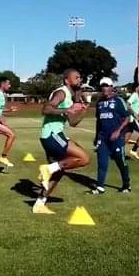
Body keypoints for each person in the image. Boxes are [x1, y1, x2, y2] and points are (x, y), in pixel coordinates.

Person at [34, 69, 90, 214]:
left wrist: (83, 110)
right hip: (52, 134)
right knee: (83, 158)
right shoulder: (62, 92)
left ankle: (40, 204)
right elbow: (46, 109)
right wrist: (67, 110)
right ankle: (48, 169)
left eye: (80, 77)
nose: (79, 79)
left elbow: (72, 122)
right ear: (67, 80)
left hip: (52, 135)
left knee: (59, 171)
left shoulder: (70, 96)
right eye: (76, 77)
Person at [91, 77, 131, 194]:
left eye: (107, 86)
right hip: (102, 138)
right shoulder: (99, 103)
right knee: (102, 162)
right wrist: (96, 136)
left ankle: (126, 185)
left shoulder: (118, 100)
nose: (104, 88)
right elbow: (99, 121)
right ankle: (100, 186)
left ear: (111, 87)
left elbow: (127, 118)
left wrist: (118, 131)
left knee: (121, 161)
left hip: (116, 138)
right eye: (102, 86)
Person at [124, 83, 139, 159]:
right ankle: (134, 150)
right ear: (137, 88)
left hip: (130, 119)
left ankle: (116, 151)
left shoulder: (136, 96)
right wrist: (134, 114)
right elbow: (127, 105)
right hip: (133, 119)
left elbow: (136, 109)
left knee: (127, 137)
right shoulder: (134, 95)